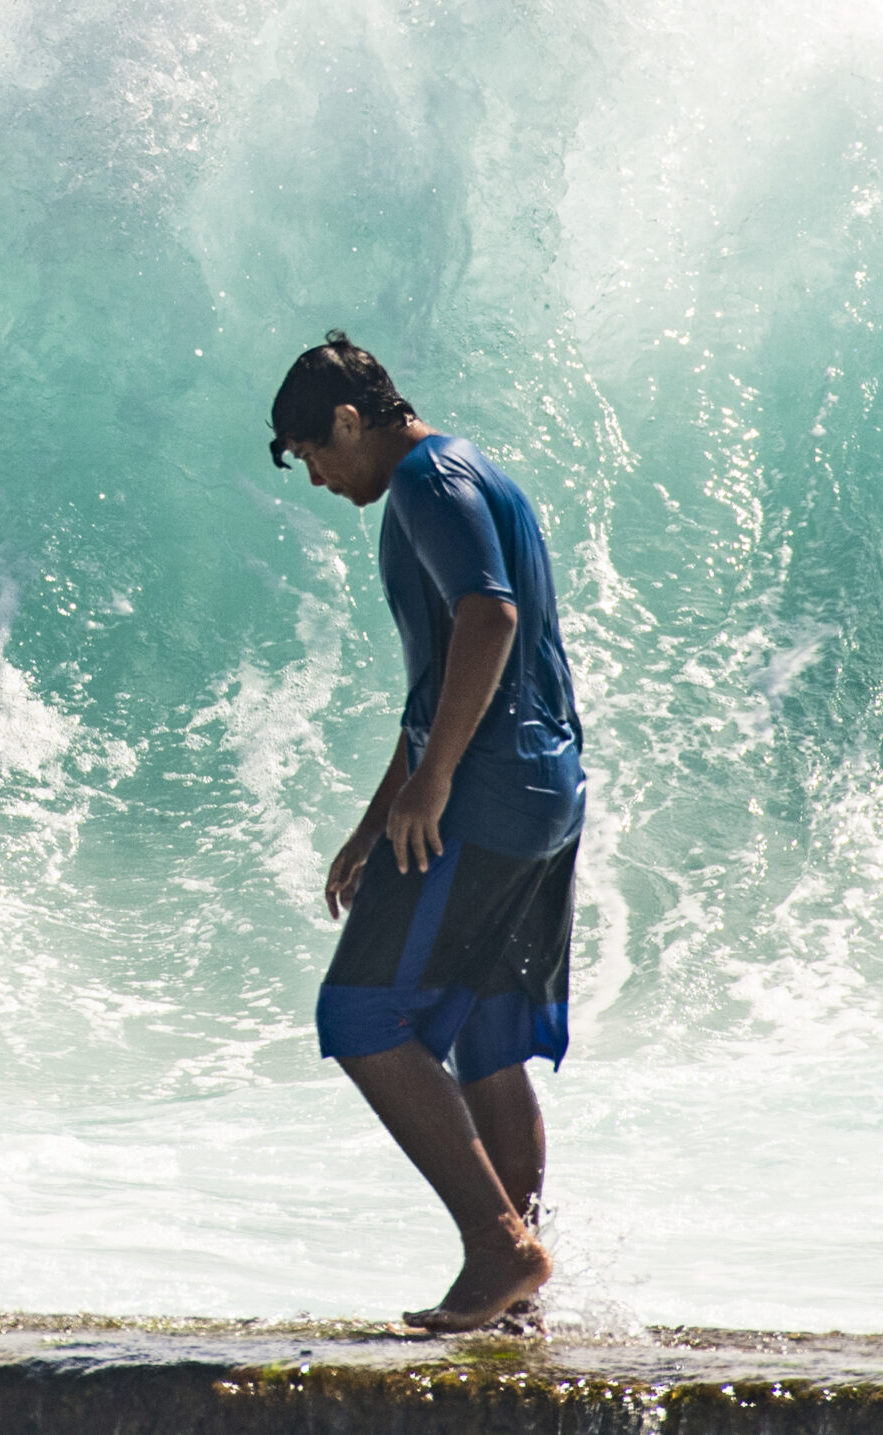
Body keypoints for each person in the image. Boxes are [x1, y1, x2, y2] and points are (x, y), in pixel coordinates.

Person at [269, 330, 586, 1333]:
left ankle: (499, 1246)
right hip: (542, 787)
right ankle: (515, 1296)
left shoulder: (424, 482)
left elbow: (488, 618)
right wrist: (381, 815)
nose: (318, 479)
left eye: (313, 453)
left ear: (350, 420)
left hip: (486, 793)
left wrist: (437, 779)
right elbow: (445, 678)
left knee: (363, 1017)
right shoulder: (471, 470)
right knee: (487, 1036)